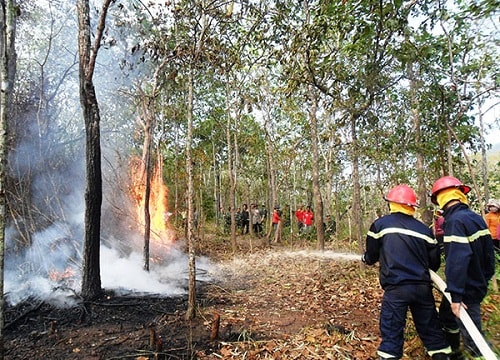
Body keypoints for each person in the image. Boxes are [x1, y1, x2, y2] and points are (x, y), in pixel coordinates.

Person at [362, 184, 451, 360]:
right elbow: (433, 262)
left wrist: (367, 259)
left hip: (396, 289)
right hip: (422, 288)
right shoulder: (424, 230)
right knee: (431, 329)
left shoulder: (380, 225)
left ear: (392, 203)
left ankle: (389, 355)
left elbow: (371, 255)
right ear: (412, 206)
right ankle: (442, 355)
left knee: (392, 329)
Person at [430, 176, 496, 360]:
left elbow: (457, 261)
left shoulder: (455, 222)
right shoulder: (475, 218)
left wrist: (457, 297)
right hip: (477, 283)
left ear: (440, 200)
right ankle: (453, 350)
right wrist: (483, 280)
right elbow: (489, 255)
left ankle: (478, 355)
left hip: (466, 289)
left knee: (472, 335)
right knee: (446, 315)